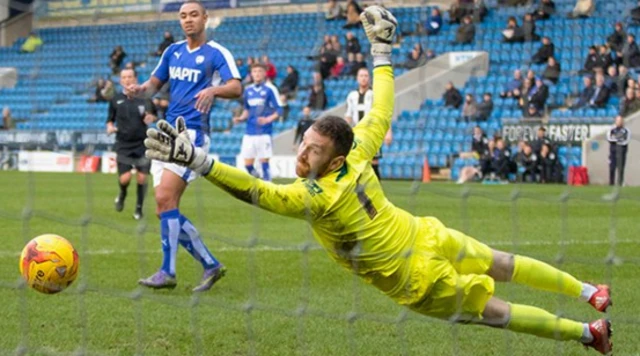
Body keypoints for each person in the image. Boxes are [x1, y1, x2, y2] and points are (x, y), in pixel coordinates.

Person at [144, 7, 612, 354]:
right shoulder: (359, 150)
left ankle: (586, 333)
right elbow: (383, 109)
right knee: (503, 263)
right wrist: (383, 51)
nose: (302, 152)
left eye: (313, 150)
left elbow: (257, 192)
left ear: (333, 161)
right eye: (305, 142)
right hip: (422, 232)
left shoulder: (319, 196)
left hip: (416, 279)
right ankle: (588, 292)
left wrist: (201, 162)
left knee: (499, 313)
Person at [125, 0, 242, 292]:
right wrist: (140, 89)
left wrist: (214, 90)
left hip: (192, 135)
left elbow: (237, 86)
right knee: (165, 207)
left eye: (193, 15)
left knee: (165, 198)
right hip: (166, 134)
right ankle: (211, 265)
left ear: (205, 18)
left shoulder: (217, 53)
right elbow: (154, 82)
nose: (188, 20)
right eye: (183, 16)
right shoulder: (172, 51)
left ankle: (168, 271)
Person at [106, 69, 157, 220]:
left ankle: (139, 208)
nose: (127, 80)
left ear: (135, 78)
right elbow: (110, 119)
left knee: (142, 178)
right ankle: (122, 194)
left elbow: (154, 115)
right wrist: (109, 126)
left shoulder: (145, 99)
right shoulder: (115, 99)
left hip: (143, 144)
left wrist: (151, 118)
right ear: (120, 80)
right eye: (124, 77)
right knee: (125, 178)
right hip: (123, 144)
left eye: (130, 77)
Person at [232, 63, 283, 181]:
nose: (257, 74)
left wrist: (268, 119)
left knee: (264, 162)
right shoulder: (248, 90)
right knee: (248, 165)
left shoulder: (270, 89)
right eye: (254, 72)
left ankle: (268, 185)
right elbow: (247, 109)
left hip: (264, 132)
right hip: (249, 132)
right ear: (251, 74)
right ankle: (259, 180)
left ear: (265, 73)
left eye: (260, 71)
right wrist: (241, 118)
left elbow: (279, 109)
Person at [345, 67, 392, 179]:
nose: (364, 78)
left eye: (366, 76)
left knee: (374, 162)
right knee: (356, 162)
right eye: (361, 76)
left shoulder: (375, 95)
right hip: (357, 134)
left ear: (369, 78)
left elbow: (383, 115)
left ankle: (377, 192)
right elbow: (348, 116)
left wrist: (388, 132)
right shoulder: (352, 96)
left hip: (372, 133)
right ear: (357, 78)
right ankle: (357, 192)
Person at [607, 115, 630, 186]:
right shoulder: (612, 130)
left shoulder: (626, 131)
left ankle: (620, 182)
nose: (619, 122)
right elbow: (609, 139)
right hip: (613, 152)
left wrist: (616, 140)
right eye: (618, 120)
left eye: (620, 121)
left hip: (622, 152)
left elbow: (626, 141)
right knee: (612, 167)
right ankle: (611, 183)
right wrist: (619, 139)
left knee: (621, 168)